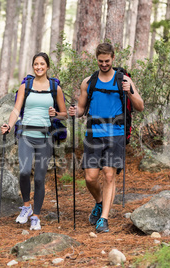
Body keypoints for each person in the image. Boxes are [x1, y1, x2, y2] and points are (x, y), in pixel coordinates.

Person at [69, 43, 144, 233]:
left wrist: (130, 91)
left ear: (113, 59)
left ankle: (104, 219)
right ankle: (100, 202)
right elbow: (80, 108)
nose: (104, 64)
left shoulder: (123, 80)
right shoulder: (89, 82)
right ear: (97, 59)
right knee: (90, 177)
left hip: (115, 134)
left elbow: (140, 106)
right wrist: (73, 111)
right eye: (100, 61)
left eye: (107, 61)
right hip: (93, 134)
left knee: (109, 175)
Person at [1, 52, 67, 231]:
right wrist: (9, 124)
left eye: (42, 64)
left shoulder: (55, 88)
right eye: (36, 64)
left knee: (39, 177)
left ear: (47, 66)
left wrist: (56, 114)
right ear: (33, 66)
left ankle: (36, 216)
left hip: (45, 137)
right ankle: (26, 206)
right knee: (23, 171)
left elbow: (64, 114)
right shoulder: (26, 86)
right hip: (26, 135)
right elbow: (16, 110)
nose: (39, 67)